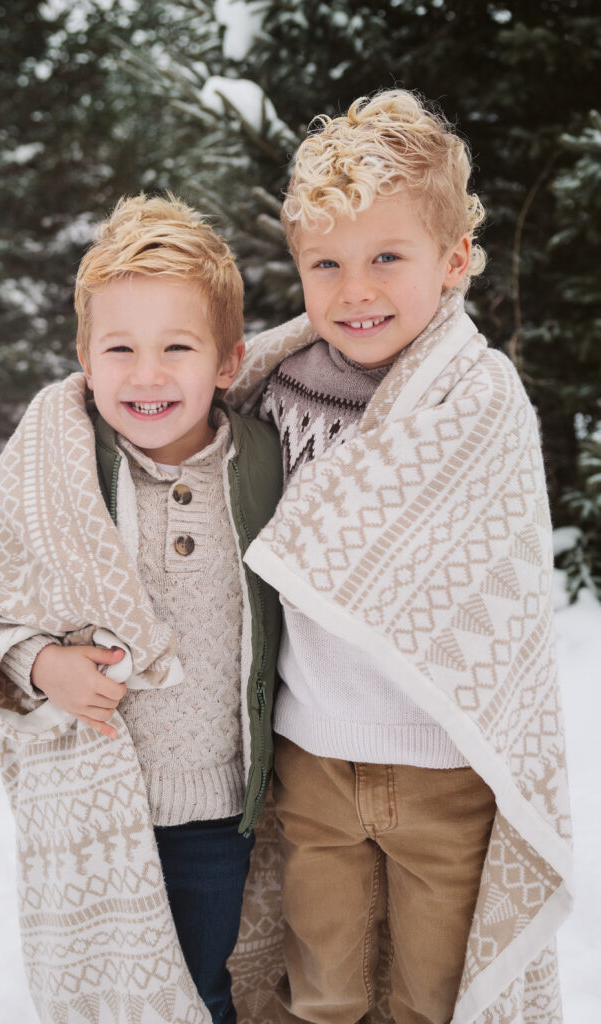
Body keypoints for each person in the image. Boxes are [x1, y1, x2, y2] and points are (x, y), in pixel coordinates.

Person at [227, 89, 573, 1024]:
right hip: (314, 758)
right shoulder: (278, 383)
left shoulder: (475, 395)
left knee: (434, 996)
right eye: (326, 264)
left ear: (453, 260)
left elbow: (477, 567)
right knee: (323, 990)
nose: (356, 290)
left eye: (388, 257)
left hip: (443, 772)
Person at [0, 195, 283, 1024]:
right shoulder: (60, 478)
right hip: (100, 811)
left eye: (177, 347)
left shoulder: (267, 464)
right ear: (86, 362)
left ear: (228, 361)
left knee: (212, 989)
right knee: (120, 998)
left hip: (222, 811)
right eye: (120, 349)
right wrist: (40, 664)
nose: (146, 374)